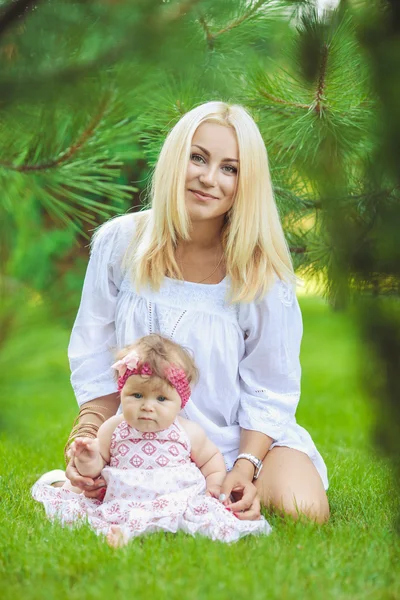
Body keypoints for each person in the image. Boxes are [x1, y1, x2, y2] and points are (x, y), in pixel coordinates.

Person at [52, 101, 329, 524]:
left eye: (229, 168)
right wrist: (88, 437)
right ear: (174, 160)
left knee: (305, 511)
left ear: (245, 182)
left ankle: (232, 476)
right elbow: (93, 355)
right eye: (197, 157)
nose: (208, 177)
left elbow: (270, 386)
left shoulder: (261, 271)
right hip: (140, 432)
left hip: (237, 444)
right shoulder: (119, 243)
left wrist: (243, 469)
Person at [32, 335, 271, 545]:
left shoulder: (188, 431)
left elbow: (211, 460)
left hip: (176, 499)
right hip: (126, 500)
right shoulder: (113, 428)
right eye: (136, 395)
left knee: (198, 517)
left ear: (181, 401)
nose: (147, 406)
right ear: (122, 392)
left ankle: (139, 530)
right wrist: (88, 457)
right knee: (88, 509)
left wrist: (215, 486)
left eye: (161, 399)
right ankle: (123, 531)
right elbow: (95, 469)